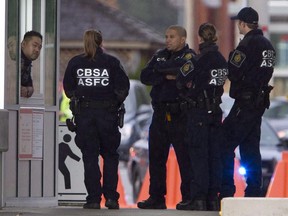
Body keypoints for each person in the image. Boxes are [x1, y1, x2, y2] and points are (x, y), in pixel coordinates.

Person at [63, 29, 130, 209]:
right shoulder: (112, 62)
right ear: (102, 42)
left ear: (84, 42)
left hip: (85, 116)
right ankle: (111, 198)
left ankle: (93, 199)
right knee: (110, 156)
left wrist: (80, 97)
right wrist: (113, 102)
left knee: (90, 157)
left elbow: (68, 88)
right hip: (107, 115)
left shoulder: (76, 63)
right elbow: (123, 86)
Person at [137, 25, 196, 209]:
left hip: (180, 114)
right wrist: (166, 73)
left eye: (172, 36)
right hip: (160, 113)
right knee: (156, 158)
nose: (167, 40)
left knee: (185, 159)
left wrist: (161, 71)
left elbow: (184, 71)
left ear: (182, 39)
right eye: (166, 36)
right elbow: (145, 76)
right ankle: (156, 197)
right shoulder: (159, 55)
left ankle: (188, 197)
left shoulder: (189, 56)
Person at [219, 7, 276, 198]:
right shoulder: (268, 46)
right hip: (258, 105)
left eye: (239, 23)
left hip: (244, 104)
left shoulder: (246, 45)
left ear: (243, 24)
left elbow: (233, 72)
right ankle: (253, 193)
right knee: (250, 149)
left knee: (224, 144)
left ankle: (226, 191)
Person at [176, 23, 228, 211]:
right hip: (215, 112)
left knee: (198, 156)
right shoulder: (222, 60)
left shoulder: (198, 60)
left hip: (198, 112)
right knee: (214, 155)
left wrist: (191, 87)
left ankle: (198, 198)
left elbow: (181, 80)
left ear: (199, 38)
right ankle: (213, 198)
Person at [21, 30, 43, 98]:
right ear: (23, 44)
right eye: (34, 45)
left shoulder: (27, 61)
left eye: (39, 47)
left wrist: (29, 87)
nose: (37, 50)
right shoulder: (12, 60)